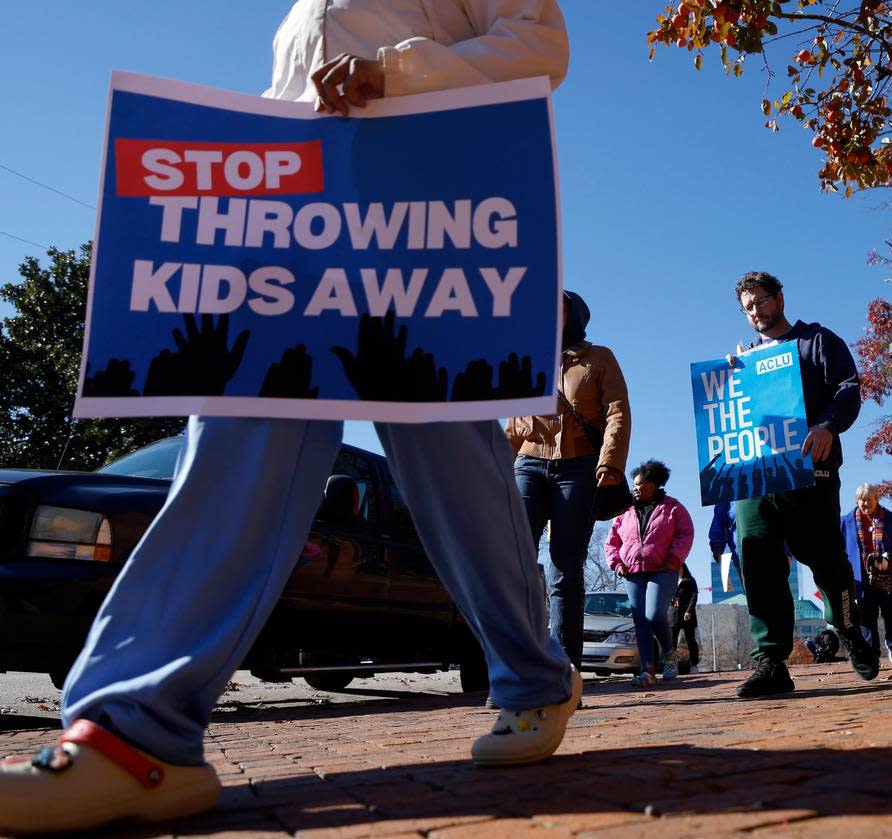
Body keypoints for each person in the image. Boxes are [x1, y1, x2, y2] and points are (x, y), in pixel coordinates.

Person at [0, 2, 579, 834]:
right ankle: (137, 732)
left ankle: (533, 675)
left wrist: (399, 70)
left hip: (424, 224)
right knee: (237, 434)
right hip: (294, 221)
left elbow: (540, 46)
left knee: (454, 470)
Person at [726, 270, 880, 699]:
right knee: (757, 560)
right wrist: (729, 381)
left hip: (811, 472)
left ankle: (848, 629)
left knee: (826, 558)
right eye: (748, 307)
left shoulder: (817, 341)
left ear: (779, 297)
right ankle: (770, 661)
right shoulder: (746, 358)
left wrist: (828, 425)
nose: (756, 311)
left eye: (761, 301)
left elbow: (848, 387)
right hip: (756, 476)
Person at [506, 290, 630, 668]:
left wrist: (610, 462)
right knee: (512, 560)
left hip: (578, 468)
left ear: (573, 314)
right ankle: (513, 668)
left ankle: (565, 670)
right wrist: (493, 467)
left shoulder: (599, 358)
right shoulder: (524, 356)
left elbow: (617, 411)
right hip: (528, 463)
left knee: (565, 568)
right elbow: (513, 421)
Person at [605, 460, 694, 687]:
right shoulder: (624, 510)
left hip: (663, 570)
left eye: (640, 484)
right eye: (634, 484)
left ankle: (669, 655)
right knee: (640, 621)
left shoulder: (673, 508)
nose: (635, 488)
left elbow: (685, 534)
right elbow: (612, 542)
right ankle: (648, 670)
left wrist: (673, 559)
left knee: (654, 615)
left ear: (653, 485)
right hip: (632, 572)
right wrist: (617, 564)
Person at [841, 482, 892, 665]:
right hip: (862, 576)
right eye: (862, 500)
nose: (865, 504)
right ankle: (873, 654)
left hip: (886, 571)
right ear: (857, 501)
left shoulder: (887, 517)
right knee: (867, 616)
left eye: (869, 500)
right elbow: (838, 547)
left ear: (876, 499)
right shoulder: (847, 521)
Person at [670, 564, 700, 671]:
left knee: (690, 639)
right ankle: (672, 664)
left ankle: (694, 664)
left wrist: (689, 611)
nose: (677, 569)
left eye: (679, 567)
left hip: (687, 614)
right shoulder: (671, 580)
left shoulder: (690, 580)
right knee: (672, 640)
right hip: (674, 614)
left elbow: (694, 596)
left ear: (683, 568)